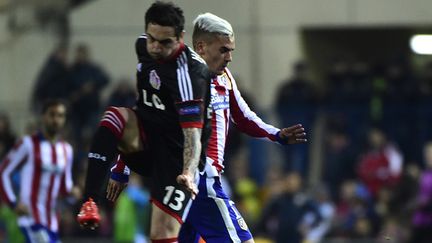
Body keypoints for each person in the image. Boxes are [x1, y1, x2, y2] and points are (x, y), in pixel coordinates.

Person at [109, 13, 307, 243]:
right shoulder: (178, 78)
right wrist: (121, 167)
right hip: (200, 181)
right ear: (201, 47)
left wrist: (276, 134)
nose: (230, 57)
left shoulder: (224, 77)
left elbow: (242, 116)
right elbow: (145, 120)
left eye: (231, 50)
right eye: (224, 50)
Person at [77, 2, 212, 243]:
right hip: (148, 139)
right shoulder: (143, 46)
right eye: (152, 39)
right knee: (114, 116)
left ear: (181, 37)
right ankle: (90, 202)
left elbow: (192, 134)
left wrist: (189, 172)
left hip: (177, 158)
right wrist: (121, 165)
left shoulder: (190, 74)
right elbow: (144, 104)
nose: (156, 48)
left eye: (165, 42)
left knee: (160, 235)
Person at [0, 99, 76, 243]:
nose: (56, 120)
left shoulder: (67, 150)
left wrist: (74, 193)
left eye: (60, 116)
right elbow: (3, 172)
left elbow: (65, 189)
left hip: (52, 223)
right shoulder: (28, 144)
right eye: (52, 115)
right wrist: (13, 203)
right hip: (30, 220)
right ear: (43, 117)